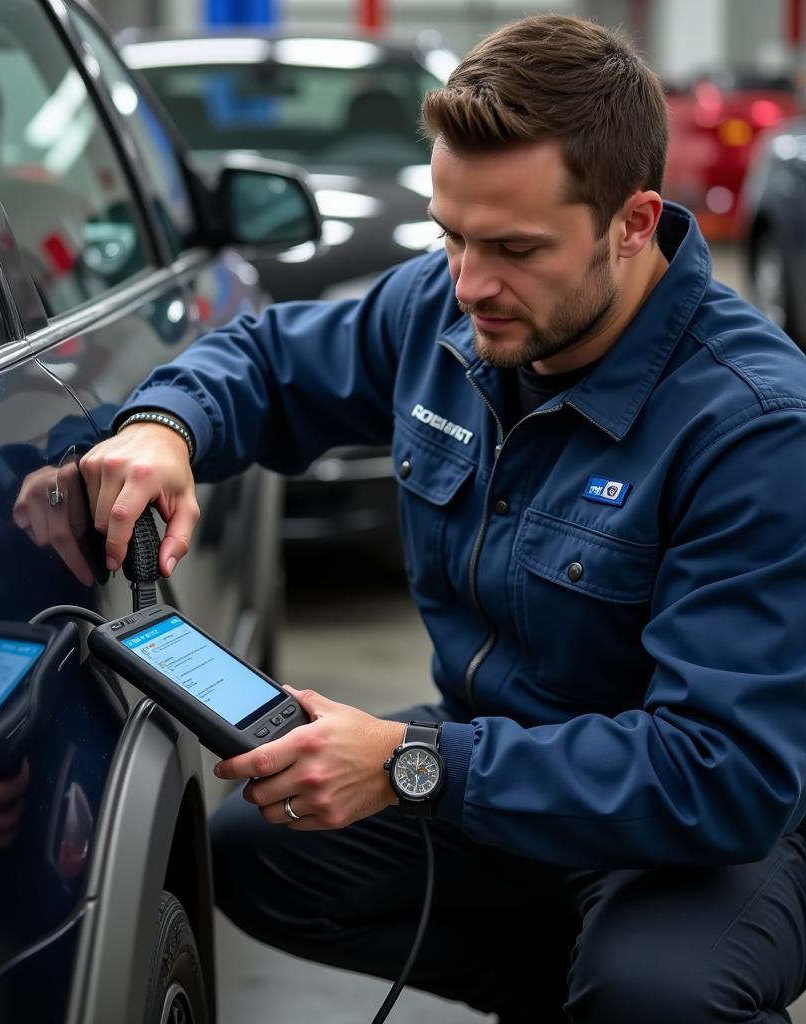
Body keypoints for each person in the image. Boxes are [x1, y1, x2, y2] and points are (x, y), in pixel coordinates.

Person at [78, 14, 806, 1022]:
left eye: (513, 248)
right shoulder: (448, 305)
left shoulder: (753, 425)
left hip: (695, 825)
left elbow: (722, 773)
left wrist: (407, 765)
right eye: (449, 236)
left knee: (654, 995)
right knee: (258, 849)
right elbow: (270, 362)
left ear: (633, 223)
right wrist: (166, 424)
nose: (470, 285)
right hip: (502, 763)